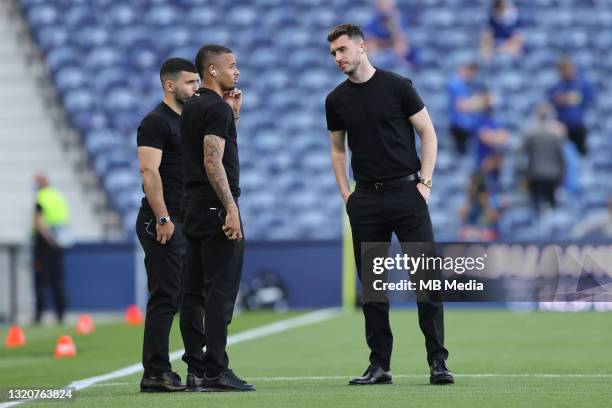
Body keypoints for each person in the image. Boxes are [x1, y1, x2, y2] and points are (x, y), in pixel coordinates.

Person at [325, 24, 453, 386]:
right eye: (333, 52)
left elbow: (428, 132)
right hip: (364, 198)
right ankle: (379, 365)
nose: (338, 57)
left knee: (426, 281)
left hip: (406, 194)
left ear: (362, 47)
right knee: (374, 289)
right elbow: (337, 149)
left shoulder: (398, 86)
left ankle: (438, 363)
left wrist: (425, 183)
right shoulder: (335, 100)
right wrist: (346, 195)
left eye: (343, 49)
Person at [180, 44, 254, 392]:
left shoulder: (193, 105)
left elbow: (204, 152)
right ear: (212, 70)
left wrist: (234, 115)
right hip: (215, 208)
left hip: (192, 205)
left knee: (193, 291)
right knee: (220, 293)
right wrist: (231, 208)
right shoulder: (214, 109)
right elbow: (213, 160)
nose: (236, 72)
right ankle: (216, 369)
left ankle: (195, 368)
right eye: (231, 66)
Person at [136, 58, 199, 392]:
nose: (196, 87)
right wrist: (162, 217)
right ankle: (155, 372)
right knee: (166, 296)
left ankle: (193, 367)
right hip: (162, 219)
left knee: (188, 295)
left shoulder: (186, 121)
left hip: (185, 218)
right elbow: (149, 172)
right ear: (170, 85)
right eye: (190, 82)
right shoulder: (155, 122)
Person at [32, 172, 70, 324]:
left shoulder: (40, 197)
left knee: (40, 279)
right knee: (57, 279)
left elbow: (39, 223)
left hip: (44, 243)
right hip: (59, 242)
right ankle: (61, 313)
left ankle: (39, 315)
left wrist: (50, 240)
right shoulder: (58, 196)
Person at [521, 103, 566, 214]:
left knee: (536, 206)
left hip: (536, 175)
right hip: (552, 176)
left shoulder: (531, 134)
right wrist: (561, 176)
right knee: (552, 206)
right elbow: (561, 158)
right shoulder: (556, 134)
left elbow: (523, 154)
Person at [549, 57, 596, 156]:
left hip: (578, 126)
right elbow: (550, 99)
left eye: (568, 69)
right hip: (562, 127)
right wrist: (561, 99)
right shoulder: (558, 85)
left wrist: (578, 98)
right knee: (561, 154)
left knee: (581, 154)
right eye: (563, 70)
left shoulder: (581, 84)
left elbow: (591, 97)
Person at [364, 0, 417, 66]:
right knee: (369, 46)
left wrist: (394, 24)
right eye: (383, 5)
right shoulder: (372, 19)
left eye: (388, 6)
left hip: (393, 43)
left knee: (401, 45)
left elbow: (401, 37)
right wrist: (382, 42)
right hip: (378, 44)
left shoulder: (399, 18)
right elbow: (369, 36)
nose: (385, 9)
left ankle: (401, 65)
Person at [447, 61, 484, 155]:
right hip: (457, 127)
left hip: (464, 127)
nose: (471, 73)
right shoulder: (456, 83)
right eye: (468, 69)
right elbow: (461, 106)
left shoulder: (464, 83)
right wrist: (478, 102)